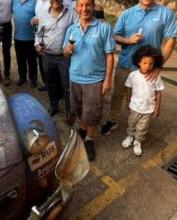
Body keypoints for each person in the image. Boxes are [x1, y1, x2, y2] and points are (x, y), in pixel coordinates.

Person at [100, 0, 177, 135]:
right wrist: (128, 40)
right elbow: (115, 36)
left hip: (148, 69)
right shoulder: (127, 14)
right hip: (126, 63)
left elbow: (171, 40)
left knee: (143, 98)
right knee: (118, 95)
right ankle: (113, 120)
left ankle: (138, 126)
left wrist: (158, 65)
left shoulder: (165, 13)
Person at [63, 0, 115, 161]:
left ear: (93, 6)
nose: (84, 8)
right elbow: (65, 53)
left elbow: (110, 55)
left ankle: (90, 140)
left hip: (94, 80)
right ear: (76, 8)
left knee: (92, 113)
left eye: (88, 5)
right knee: (79, 109)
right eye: (81, 5)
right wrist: (67, 50)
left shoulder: (104, 28)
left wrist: (107, 80)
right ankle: (83, 130)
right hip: (75, 77)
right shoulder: (71, 29)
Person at [35, 0, 78, 125]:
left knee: (66, 85)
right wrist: (37, 44)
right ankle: (54, 106)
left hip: (64, 57)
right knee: (50, 83)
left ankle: (70, 112)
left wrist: (71, 44)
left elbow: (78, 30)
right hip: (47, 56)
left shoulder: (72, 14)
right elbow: (39, 34)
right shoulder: (43, 14)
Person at [122, 45, 164, 156]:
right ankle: (130, 136)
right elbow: (128, 89)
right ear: (138, 62)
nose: (148, 66)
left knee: (142, 127)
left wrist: (157, 107)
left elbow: (159, 92)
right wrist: (127, 102)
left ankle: (137, 141)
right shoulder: (133, 75)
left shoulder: (156, 77)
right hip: (134, 106)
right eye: (145, 63)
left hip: (148, 109)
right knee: (131, 123)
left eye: (151, 64)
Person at [12, 0, 38, 88]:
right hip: (18, 36)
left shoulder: (34, 2)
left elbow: (39, 16)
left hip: (31, 37)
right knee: (20, 59)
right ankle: (22, 77)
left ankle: (33, 79)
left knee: (32, 60)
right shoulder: (14, 1)